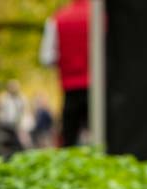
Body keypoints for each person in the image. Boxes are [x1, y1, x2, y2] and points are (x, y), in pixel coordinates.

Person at [40, 0, 91, 147]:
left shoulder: (57, 19)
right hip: (97, 88)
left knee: (69, 139)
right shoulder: (100, 16)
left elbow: (47, 58)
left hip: (70, 88)